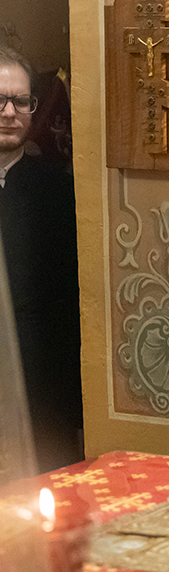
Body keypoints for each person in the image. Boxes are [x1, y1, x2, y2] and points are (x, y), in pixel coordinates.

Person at [0, 44, 82, 472]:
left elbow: (72, 304)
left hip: (43, 390)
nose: (10, 113)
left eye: (21, 101)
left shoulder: (60, 193)